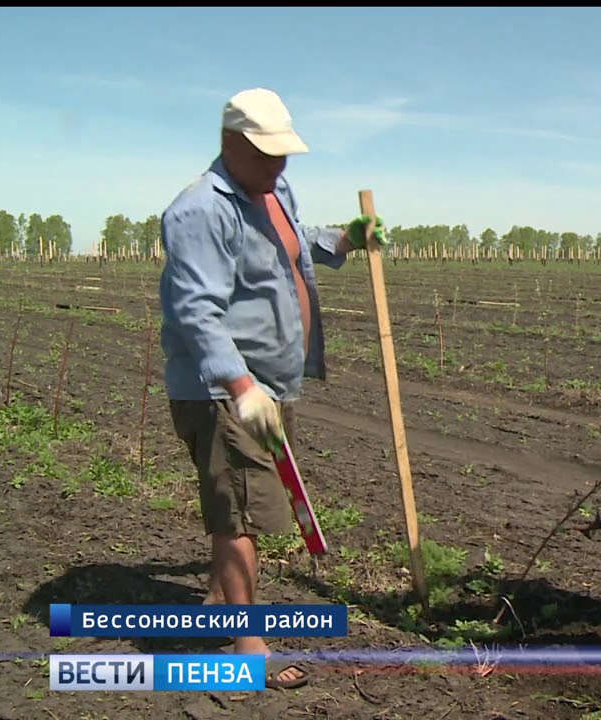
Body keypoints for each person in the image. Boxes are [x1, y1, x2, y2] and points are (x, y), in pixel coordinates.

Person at [158, 87, 383, 689]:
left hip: (270, 382)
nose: (279, 167)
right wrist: (240, 385)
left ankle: (217, 604)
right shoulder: (199, 211)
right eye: (267, 154)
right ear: (230, 142)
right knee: (242, 515)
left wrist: (344, 241)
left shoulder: (272, 188)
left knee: (233, 501)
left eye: (284, 155)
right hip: (226, 388)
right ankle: (247, 648)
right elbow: (197, 312)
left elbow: (291, 242)